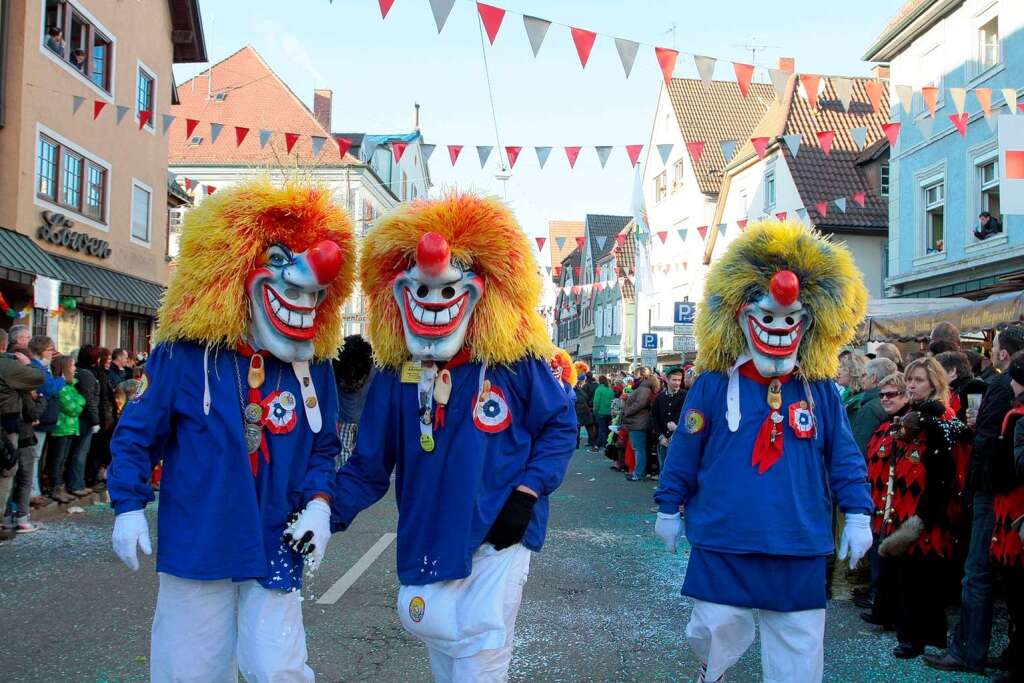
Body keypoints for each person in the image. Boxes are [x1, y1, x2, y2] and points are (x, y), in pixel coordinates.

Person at [107, 179, 353, 682]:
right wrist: (128, 506)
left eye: (312, 290)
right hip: (199, 543)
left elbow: (323, 448)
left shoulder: (317, 367)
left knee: (277, 669)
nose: (303, 295)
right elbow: (137, 434)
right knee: (188, 669)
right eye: (284, 266)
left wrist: (320, 504)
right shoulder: (182, 355)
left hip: (275, 541)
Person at [328, 194, 576, 682]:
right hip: (430, 539)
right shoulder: (394, 373)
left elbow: (559, 425)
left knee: (480, 661)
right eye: (422, 289)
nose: (435, 301)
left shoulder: (516, 364)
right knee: (445, 652)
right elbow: (368, 465)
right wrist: (322, 512)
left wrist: (526, 496)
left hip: (499, 541)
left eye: (448, 290)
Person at [654, 220, 873, 683]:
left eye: (790, 320)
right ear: (741, 318)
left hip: (797, 541)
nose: (779, 327)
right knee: (713, 629)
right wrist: (668, 505)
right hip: (723, 537)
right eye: (769, 317)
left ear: (807, 323)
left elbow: (844, 457)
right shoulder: (713, 384)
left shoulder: (821, 390)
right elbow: (686, 448)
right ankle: (711, 674)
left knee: (798, 648)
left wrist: (858, 513)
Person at [925, 325, 1024, 674]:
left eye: (996, 345)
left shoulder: (998, 387)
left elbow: (990, 443)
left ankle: (969, 650)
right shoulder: (998, 386)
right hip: (1002, 493)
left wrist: (974, 488)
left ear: (1003, 354)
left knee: (977, 574)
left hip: (993, 493)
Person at [877, 356, 961, 659]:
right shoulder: (912, 416)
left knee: (921, 577)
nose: (911, 385)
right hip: (904, 502)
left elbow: (944, 474)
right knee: (909, 575)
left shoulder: (940, 419)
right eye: (909, 379)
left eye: (918, 380)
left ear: (934, 383)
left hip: (927, 508)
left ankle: (916, 638)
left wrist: (925, 516)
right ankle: (919, 635)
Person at [860, 372, 909, 620]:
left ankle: (884, 605)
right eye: (882, 395)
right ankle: (879, 602)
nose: (885, 399)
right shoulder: (885, 425)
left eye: (892, 394)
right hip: (878, 499)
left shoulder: (906, 425)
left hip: (897, 503)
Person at [987, 353, 1024, 683]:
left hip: (1017, 508)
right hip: (1011, 507)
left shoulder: (1017, 416)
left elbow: (1013, 468)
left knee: (1017, 587)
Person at [333, 334, 375, 469]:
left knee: (344, 456)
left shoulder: (336, 369)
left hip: (346, 420)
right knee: (352, 456)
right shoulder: (371, 370)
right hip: (357, 420)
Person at [47, 355, 83, 504]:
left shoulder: (70, 386)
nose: (75, 369)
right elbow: (73, 407)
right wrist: (79, 402)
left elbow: (80, 401)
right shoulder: (61, 387)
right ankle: (56, 487)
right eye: (73, 366)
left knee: (63, 459)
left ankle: (61, 487)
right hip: (61, 428)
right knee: (57, 460)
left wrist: (79, 402)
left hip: (70, 428)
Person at [66, 345, 100, 497]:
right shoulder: (86, 375)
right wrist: (95, 420)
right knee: (80, 452)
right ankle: (76, 484)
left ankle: (78, 482)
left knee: (77, 452)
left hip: (78, 417)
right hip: (84, 419)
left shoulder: (81, 372)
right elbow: (89, 399)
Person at [851, 357, 899, 455]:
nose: (862, 379)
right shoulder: (896, 401)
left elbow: (860, 448)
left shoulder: (870, 409)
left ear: (873, 378)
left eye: (864, 375)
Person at [622, 370, 656, 481]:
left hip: (638, 422)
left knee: (639, 449)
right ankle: (638, 473)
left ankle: (638, 474)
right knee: (638, 449)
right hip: (638, 421)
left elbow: (640, 403)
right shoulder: (644, 388)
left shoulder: (643, 389)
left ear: (642, 376)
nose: (634, 377)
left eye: (636, 374)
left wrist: (628, 411)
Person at [652, 366, 686, 474]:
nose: (677, 383)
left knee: (678, 470)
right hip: (663, 441)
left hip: (679, 441)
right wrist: (660, 436)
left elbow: (690, 418)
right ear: (667, 380)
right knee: (664, 469)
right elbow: (654, 419)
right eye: (674, 380)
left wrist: (677, 431)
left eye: (679, 380)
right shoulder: (659, 398)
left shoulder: (686, 396)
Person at [838, 351, 869, 420]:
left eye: (842, 368)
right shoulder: (849, 394)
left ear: (854, 371)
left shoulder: (860, 399)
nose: (838, 372)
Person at [592, 374, 614, 450]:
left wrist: (595, 410)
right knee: (607, 430)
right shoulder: (610, 390)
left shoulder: (599, 390)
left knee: (602, 430)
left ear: (599, 381)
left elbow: (596, 402)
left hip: (600, 412)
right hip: (609, 412)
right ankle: (607, 444)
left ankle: (603, 445)